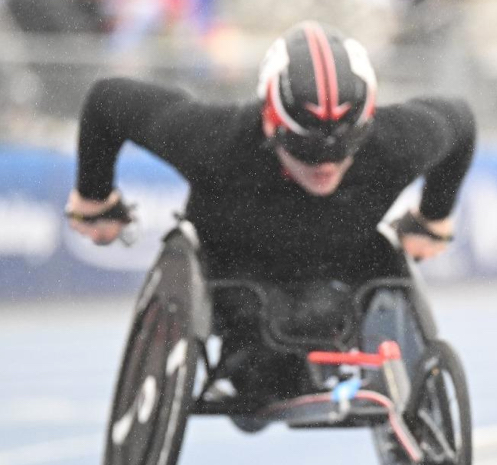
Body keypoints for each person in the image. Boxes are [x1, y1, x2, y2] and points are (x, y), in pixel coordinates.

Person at [65, 20, 476, 407]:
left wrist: (432, 217)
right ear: (269, 123)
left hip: (337, 278)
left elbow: (462, 121)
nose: (325, 166)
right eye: (306, 151)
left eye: (341, 150)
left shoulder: (397, 141)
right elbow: (107, 101)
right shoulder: (215, 140)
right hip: (235, 281)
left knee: (332, 303)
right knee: (260, 381)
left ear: (365, 127)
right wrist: (94, 196)